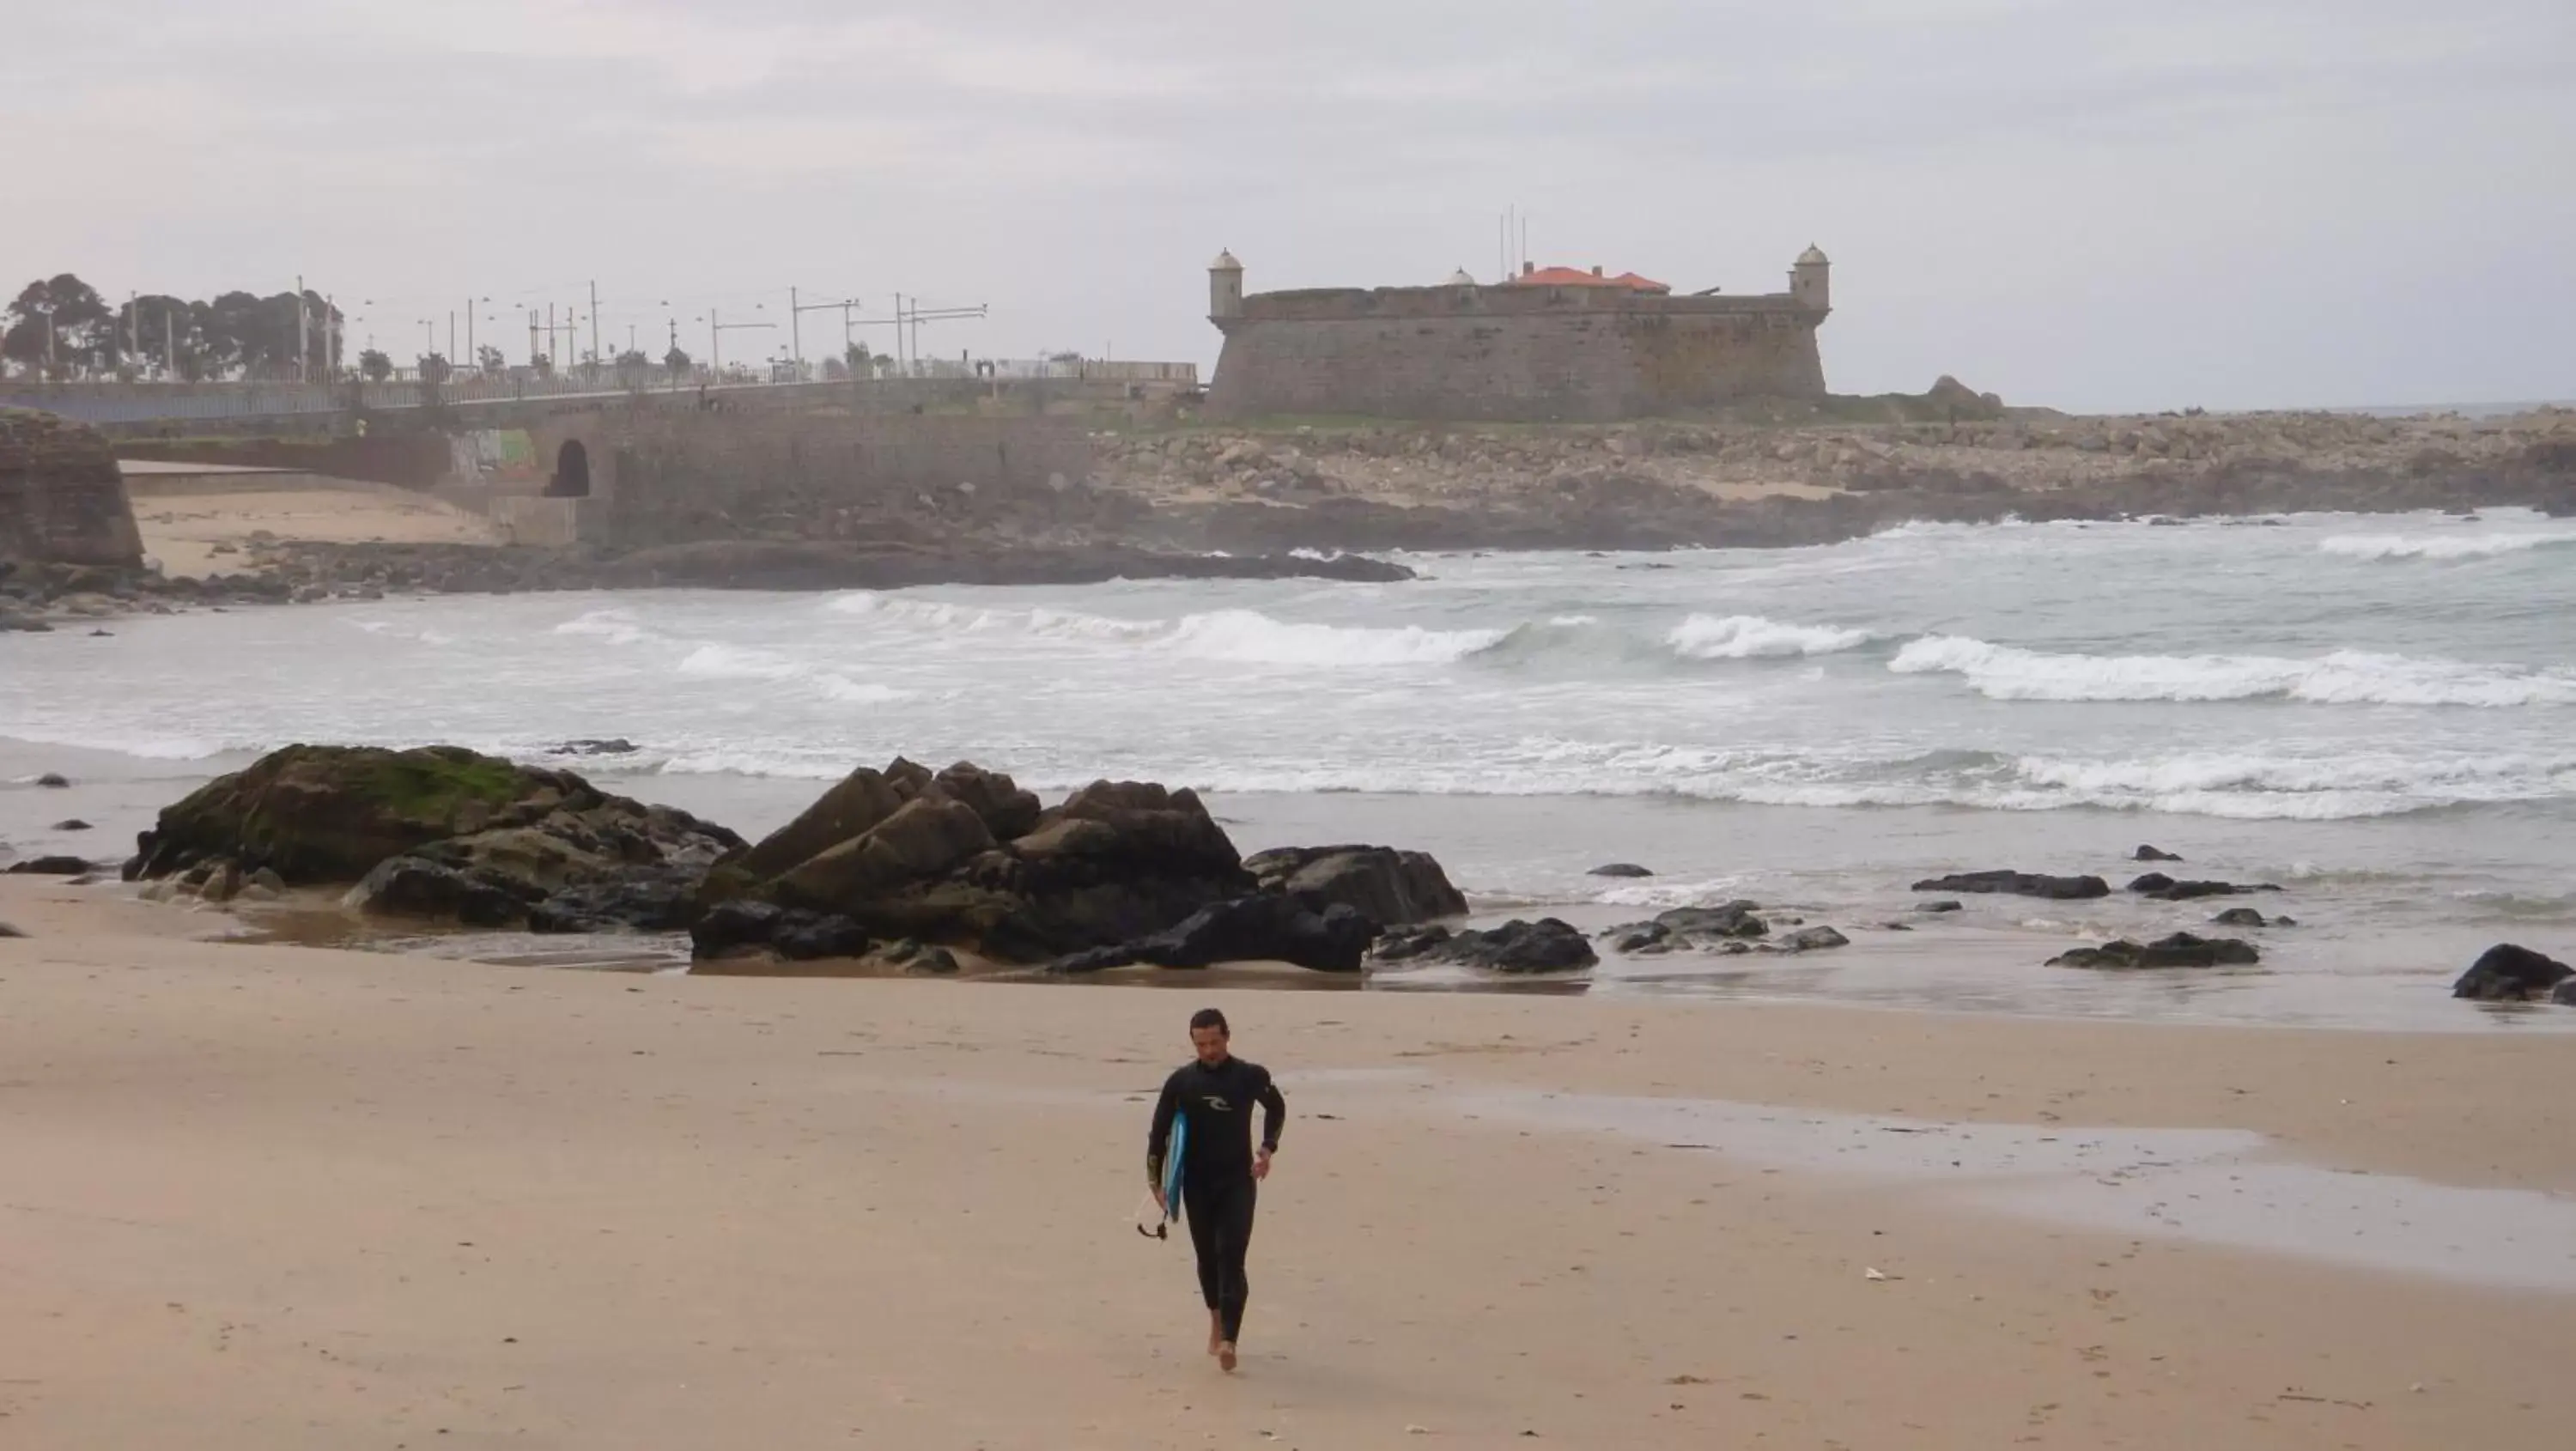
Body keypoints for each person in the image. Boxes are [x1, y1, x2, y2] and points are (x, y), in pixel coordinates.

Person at [1145, 1007, 1285, 1372]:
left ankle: (1229, 1340)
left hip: (1238, 1179)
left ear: (1227, 1036)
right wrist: (1155, 1182)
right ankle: (1216, 1319)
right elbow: (1158, 1133)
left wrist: (1267, 1148)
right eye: (1201, 1044)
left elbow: (1276, 1107)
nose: (1209, 1050)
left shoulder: (1250, 1076)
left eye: (1215, 1042)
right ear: (1193, 1041)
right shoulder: (1181, 1083)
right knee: (1207, 1257)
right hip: (1196, 1182)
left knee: (1231, 1253)